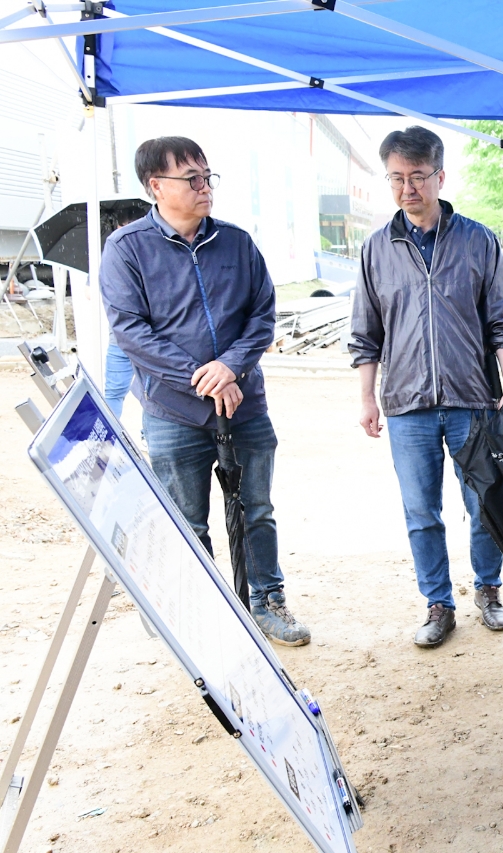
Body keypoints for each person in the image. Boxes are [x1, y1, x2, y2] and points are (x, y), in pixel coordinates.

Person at [100, 136, 310, 646]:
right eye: (191, 178)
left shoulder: (237, 243)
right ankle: (199, 613)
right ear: (156, 186)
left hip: (243, 404)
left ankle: (266, 601)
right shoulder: (126, 249)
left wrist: (230, 368)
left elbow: (262, 315)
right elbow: (131, 332)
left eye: (207, 176)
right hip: (173, 412)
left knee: (256, 509)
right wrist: (203, 376)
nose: (204, 187)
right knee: (186, 521)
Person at [349, 126, 503, 650]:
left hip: (473, 400)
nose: (408, 189)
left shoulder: (478, 240)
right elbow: (366, 332)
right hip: (407, 405)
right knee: (421, 513)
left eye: (418, 177)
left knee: (484, 503)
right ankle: (438, 603)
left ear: (440, 177)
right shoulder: (376, 249)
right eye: (397, 178)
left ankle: (488, 589)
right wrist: (367, 398)